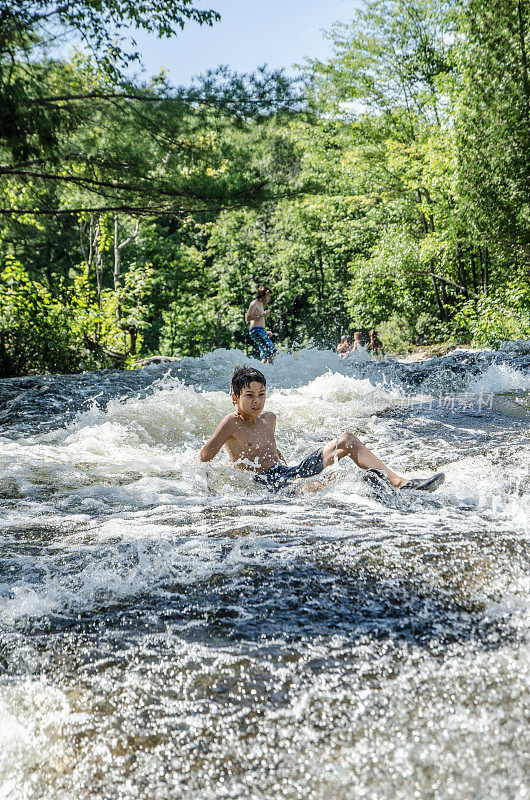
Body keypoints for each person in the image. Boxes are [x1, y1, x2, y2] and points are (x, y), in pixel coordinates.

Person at [200, 365, 445, 494]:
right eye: (249, 396)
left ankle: (400, 483)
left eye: (261, 395)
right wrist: (216, 488)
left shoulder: (269, 418)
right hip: (266, 485)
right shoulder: (231, 422)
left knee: (347, 440)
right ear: (235, 398)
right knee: (331, 481)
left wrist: (290, 469)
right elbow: (205, 457)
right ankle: (372, 490)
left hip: (287, 473)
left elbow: (273, 451)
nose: (257, 401)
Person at [245, 286, 277, 364]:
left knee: (266, 355)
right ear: (262, 295)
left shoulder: (260, 304)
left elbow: (257, 322)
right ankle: (271, 371)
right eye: (268, 296)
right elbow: (248, 318)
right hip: (256, 331)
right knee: (272, 352)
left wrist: (265, 332)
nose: (269, 298)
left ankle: (262, 370)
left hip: (260, 330)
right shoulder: (254, 303)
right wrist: (262, 315)